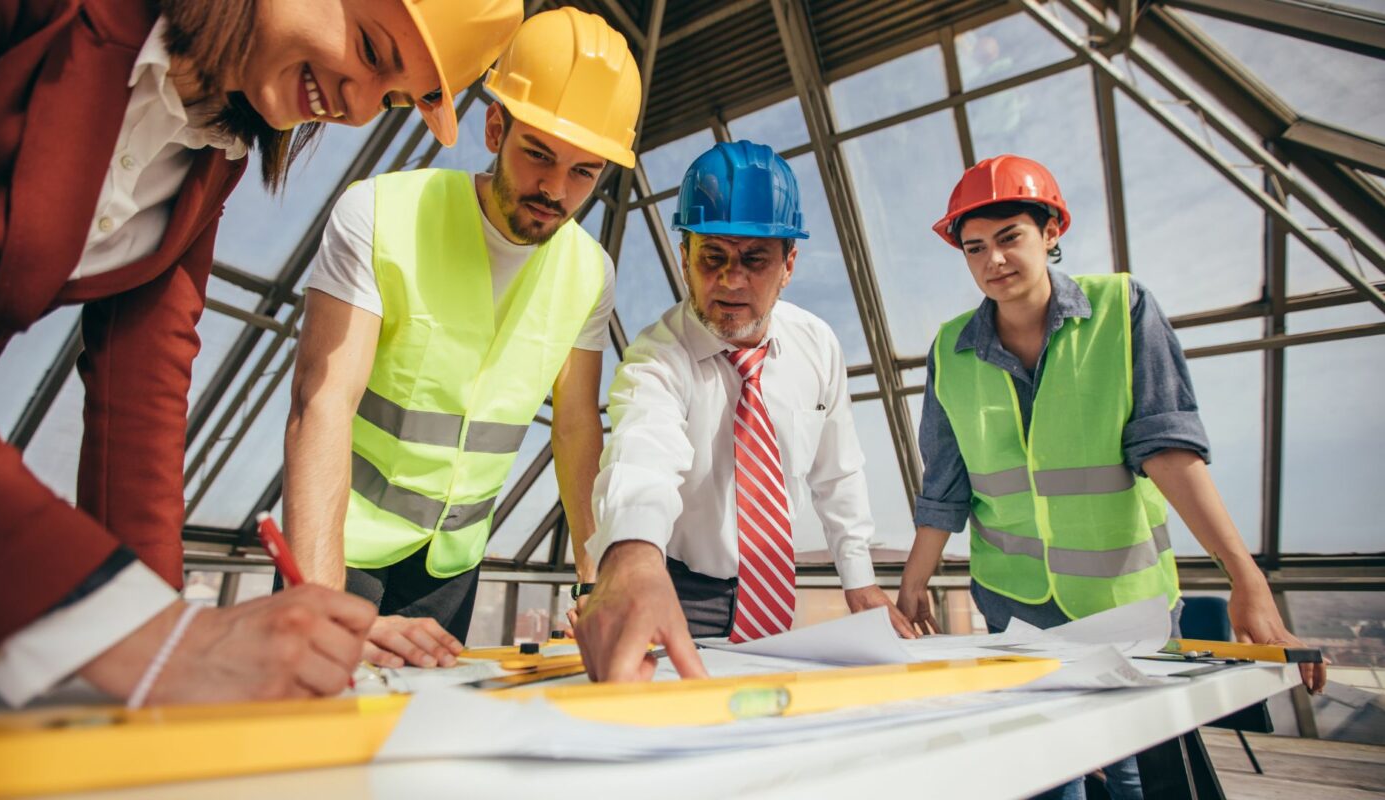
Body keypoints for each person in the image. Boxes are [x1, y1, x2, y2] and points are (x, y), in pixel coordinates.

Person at [0, 0, 522, 707]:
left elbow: (139, 404)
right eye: (373, 50)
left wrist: (170, 633)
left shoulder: (205, 158)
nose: (356, 110)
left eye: (392, 97)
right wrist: (135, 633)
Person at [899, 154, 1327, 799]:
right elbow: (945, 486)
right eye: (975, 247)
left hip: (1125, 604)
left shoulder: (1121, 310)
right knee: (1045, 769)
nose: (993, 261)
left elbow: (1167, 448)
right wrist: (912, 588)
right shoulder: (951, 349)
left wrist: (1247, 577)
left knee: (1133, 772)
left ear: (1050, 233)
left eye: (1010, 237)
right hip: (1014, 606)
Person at [282, 7, 641, 670]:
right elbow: (321, 401)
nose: (555, 190)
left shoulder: (591, 272)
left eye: (584, 172)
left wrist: (595, 580)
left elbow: (575, 427)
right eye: (539, 154)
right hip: (339, 545)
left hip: (451, 567)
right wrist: (318, 601)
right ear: (495, 126)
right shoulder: (380, 213)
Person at [576, 141, 917, 683]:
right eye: (713, 256)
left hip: (777, 593)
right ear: (684, 255)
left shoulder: (818, 346)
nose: (731, 280)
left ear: (789, 264)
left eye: (755, 259)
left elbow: (838, 471)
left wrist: (859, 579)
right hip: (677, 591)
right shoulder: (657, 356)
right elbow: (641, 456)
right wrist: (635, 559)